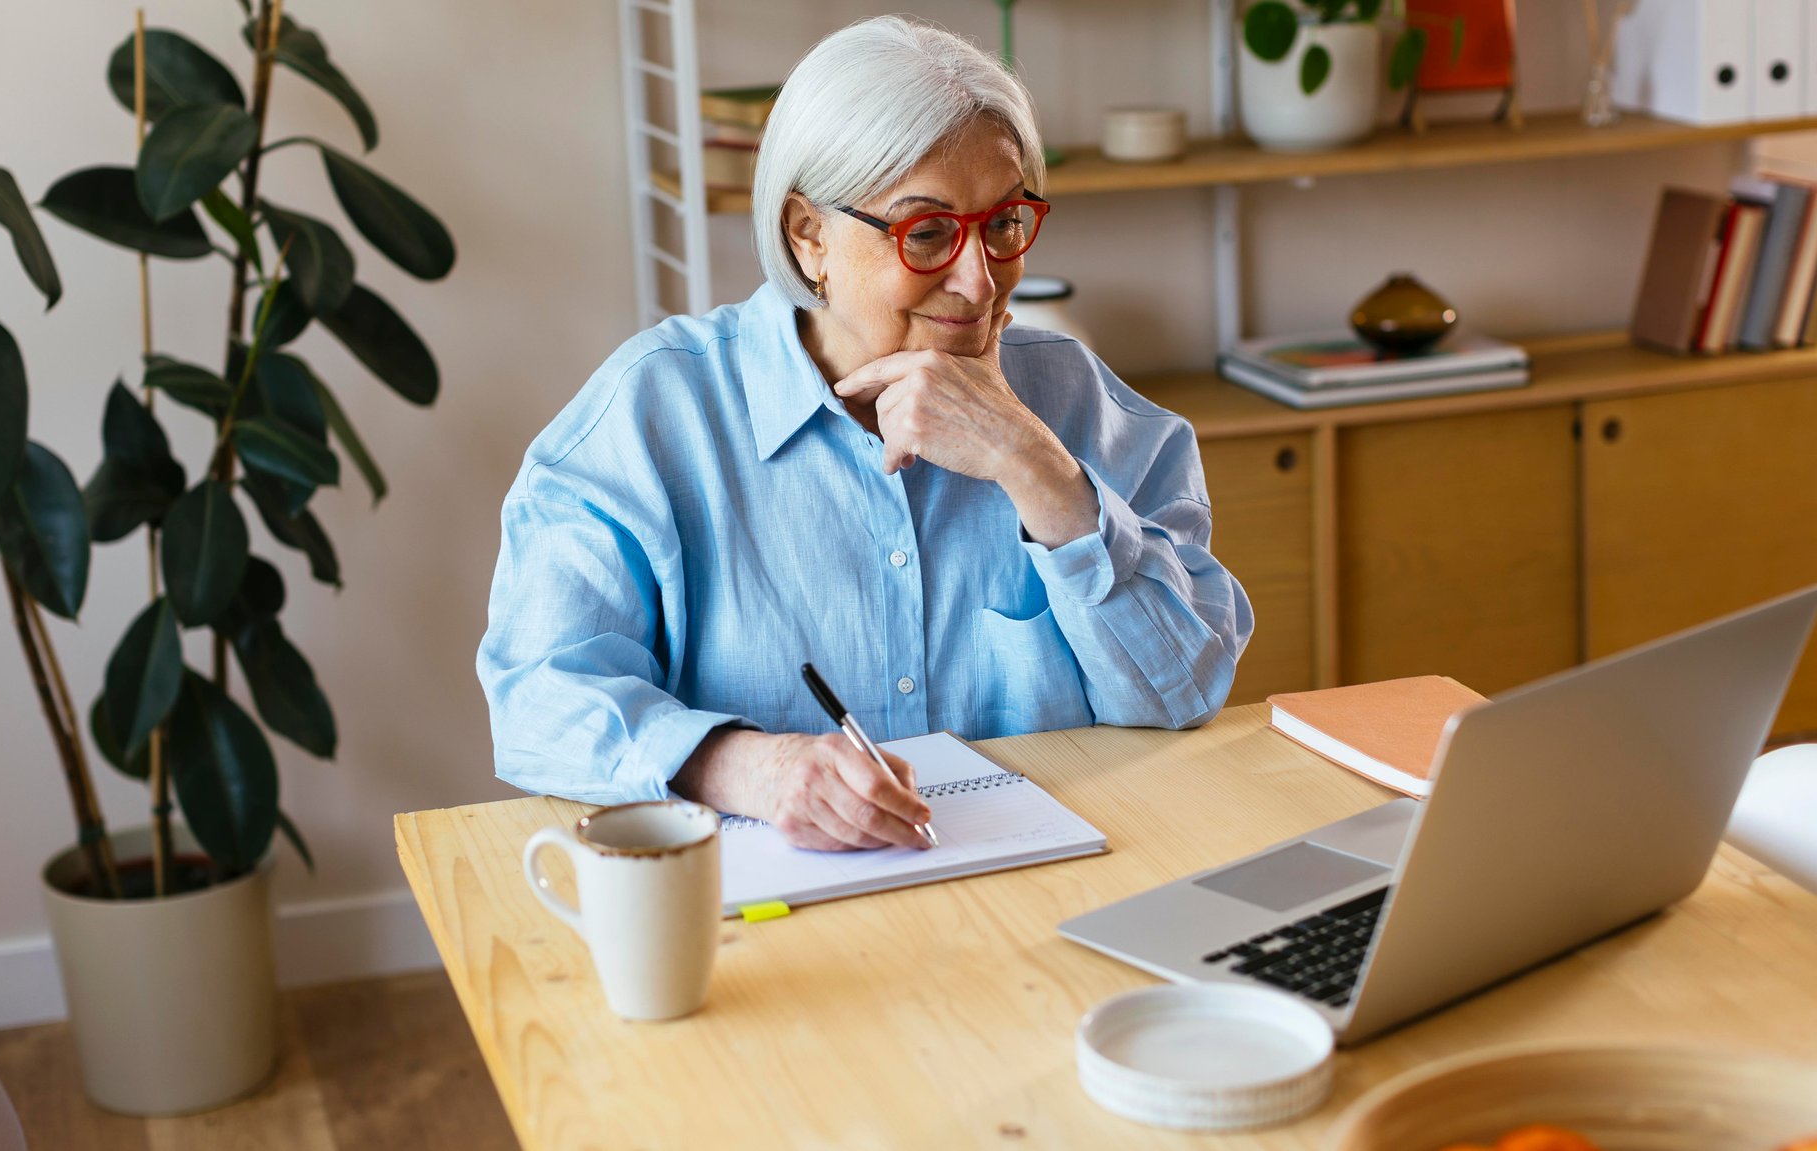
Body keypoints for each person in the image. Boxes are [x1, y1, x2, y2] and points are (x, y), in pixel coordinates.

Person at [479, 15, 1252, 854]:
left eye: (1002, 224)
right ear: (807, 234)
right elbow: (538, 698)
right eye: (926, 234)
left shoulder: (1085, 406)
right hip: (785, 937)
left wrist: (1036, 470)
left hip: (1051, 899)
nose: (979, 279)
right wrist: (748, 767)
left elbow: (1183, 693)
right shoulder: (652, 417)